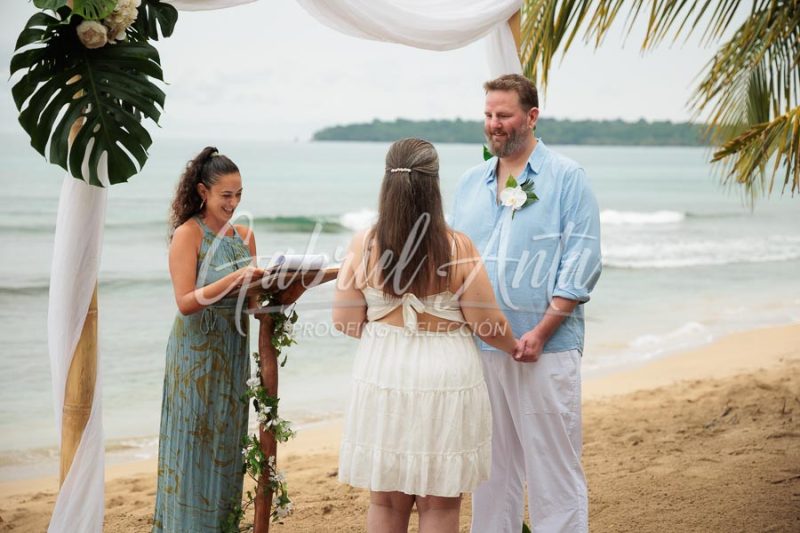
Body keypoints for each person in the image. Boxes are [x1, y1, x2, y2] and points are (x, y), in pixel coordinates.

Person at [333, 138, 518, 533]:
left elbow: (345, 321)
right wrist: (516, 347)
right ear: (433, 187)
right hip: (446, 374)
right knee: (439, 505)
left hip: (384, 371)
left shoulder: (363, 245)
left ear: (387, 184)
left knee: (385, 501)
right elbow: (488, 325)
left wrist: (387, 324)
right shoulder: (456, 247)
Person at [451, 74, 602, 533]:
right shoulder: (469, 183)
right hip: (483, 348)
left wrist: (540, 333)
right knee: (491, 472)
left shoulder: (567, 178)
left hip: (546, 349)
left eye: (504, 115)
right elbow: (455, 261)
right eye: (488, 115)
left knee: (552, 469)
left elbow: (582, 261)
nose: (494, 125)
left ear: (531, 117)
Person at [153, 147, 264, 532]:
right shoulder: (188, 235)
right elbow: (185, 302)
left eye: (238, 195)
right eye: (225, 196)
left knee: (225, 447)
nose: (233, 204)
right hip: (195, 355)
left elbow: (253, 305)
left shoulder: (245, 237)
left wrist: (283, 287)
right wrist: (232, 280)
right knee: (193, 448)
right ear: (203, 191)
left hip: (233, 353)